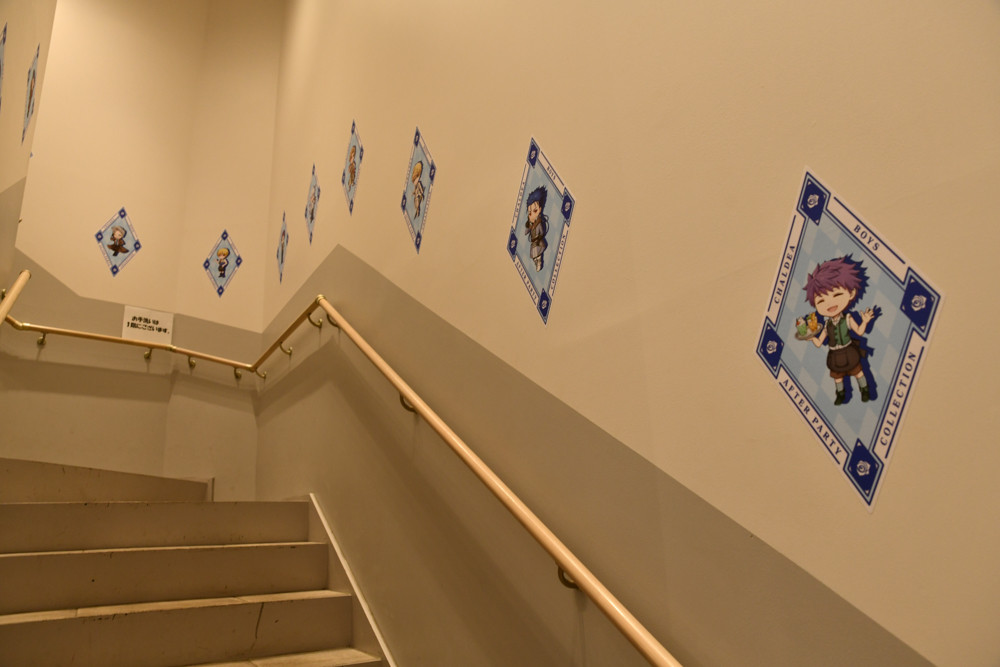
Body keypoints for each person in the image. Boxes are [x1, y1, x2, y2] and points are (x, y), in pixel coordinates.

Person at [803, 255, 876, 405]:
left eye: (836, 294)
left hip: (848, 350)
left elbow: (859, 332)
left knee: (857, 371)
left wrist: (865, 321)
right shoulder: (826, 325)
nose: (829, 303)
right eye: (821, 300)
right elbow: (819, 343)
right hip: (834, 354)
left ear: (851, 293)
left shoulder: (847, 318)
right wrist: (810, 337)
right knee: (837, 377)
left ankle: (865, 390)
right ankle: (840, 394)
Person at [524, 186, 548, 272]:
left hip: (538, 242)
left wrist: (539, 237)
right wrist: (529, 225)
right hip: (533, 243)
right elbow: (526, 232)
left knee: (538, 255)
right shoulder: (531, 224)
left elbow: (541, 232)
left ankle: (539, 263)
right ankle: (536, 262)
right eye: (530, 213)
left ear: (539, 210)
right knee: (534, 256)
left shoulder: (539, 223)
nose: (531, 215)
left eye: (535, 211)